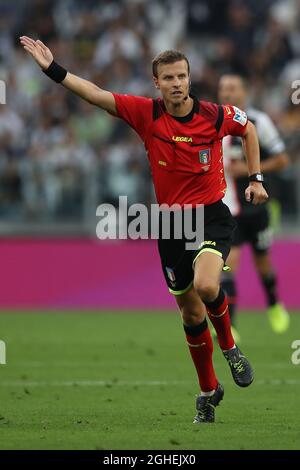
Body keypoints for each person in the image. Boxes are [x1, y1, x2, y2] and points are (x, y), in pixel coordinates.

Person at [20, 36, 268, 424]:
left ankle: (231, 349)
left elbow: (248, 129)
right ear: (157, 82)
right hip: (170, 223)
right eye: (168, 77)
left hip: (211, 215)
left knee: (206, 287)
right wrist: (53, 70)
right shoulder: (146, 114)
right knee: (189, 314)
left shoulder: (215, 115)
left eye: (182, 76)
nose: (176, 83)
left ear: (189, 79)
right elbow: (96, 95)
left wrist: (255, 178)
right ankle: (207, 390)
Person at [218, 74, 290, 341]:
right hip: (228, 210)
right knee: (229, 265)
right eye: (223, 88)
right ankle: (231, 326)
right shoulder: (212, 124)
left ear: (244, 92)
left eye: (233, 88)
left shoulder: (259, 122)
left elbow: (282, 160)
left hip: (257, 208)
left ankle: (272, 302)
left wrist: (251, 171)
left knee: (263, 263)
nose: (228, 93)